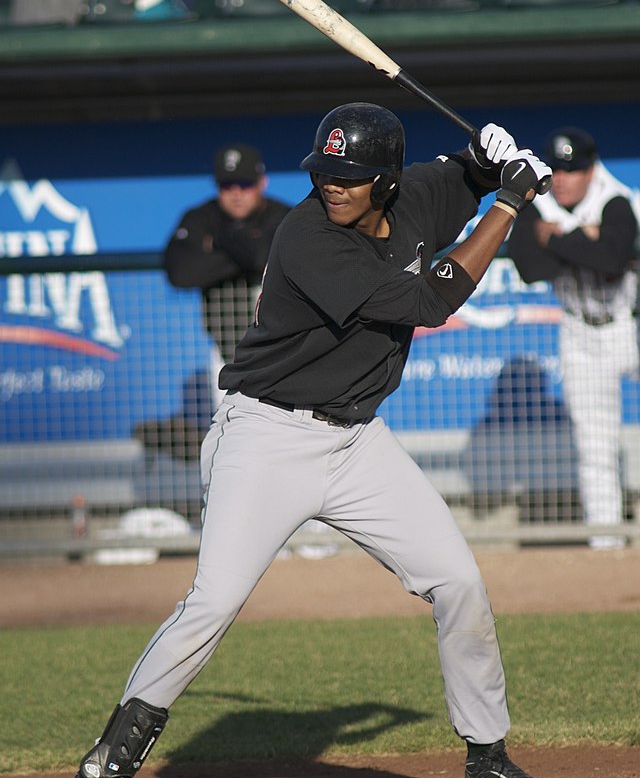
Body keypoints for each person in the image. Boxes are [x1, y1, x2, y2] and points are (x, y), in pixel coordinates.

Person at [75, 104, 551, 778]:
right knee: (212, 601)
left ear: (385, 181)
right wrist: (508, 201)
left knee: (459, 582)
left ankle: (487, 755)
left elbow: (456, 180)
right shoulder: (308, 237)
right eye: (325, 172)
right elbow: (431, 303)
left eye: (349, 176)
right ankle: (113, 755)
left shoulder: (411, 193)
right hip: (267, 435)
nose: (331, 185)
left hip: (358, 442)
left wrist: (483, 159)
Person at [508, 126, 639, 550]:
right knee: (595, 445)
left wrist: (557, 239)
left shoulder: (615, 198)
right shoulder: (537, 202)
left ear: (591, 170)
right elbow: (530, 267)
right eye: (557, 169)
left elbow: (613, 259)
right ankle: (606, 544)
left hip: (629, 324)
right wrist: (585, 240)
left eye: (573, 169)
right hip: (579, 331)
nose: (562, 178)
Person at [164, 142, 291, 409]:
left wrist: (220, 243)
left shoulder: (282, 216)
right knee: (229, 431)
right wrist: (244, 249)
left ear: (262, 182)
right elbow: (181, 273)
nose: (236, 194)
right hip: (226, 352)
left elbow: (261, 257)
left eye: (244, 185)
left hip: (282, 353)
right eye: (227, 185)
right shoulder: (202, 217)